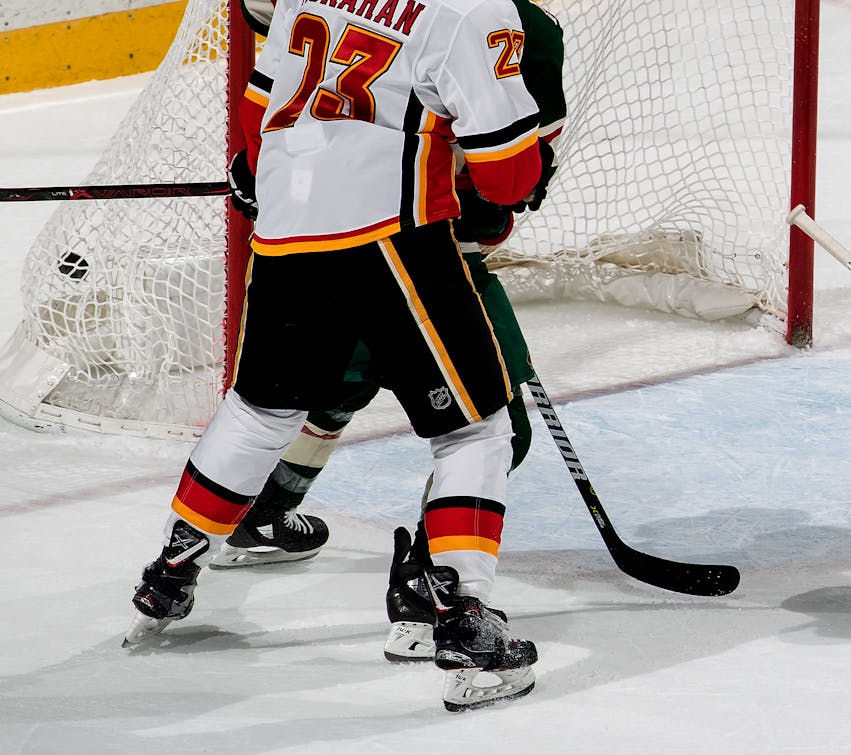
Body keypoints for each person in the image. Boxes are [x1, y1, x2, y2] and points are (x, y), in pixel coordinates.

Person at [125, 0, 556, 711]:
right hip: (396, 235)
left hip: (290, 237)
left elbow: (257, 116)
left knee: (262, 408)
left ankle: (171, 568)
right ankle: (464, 617)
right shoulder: (472, 8)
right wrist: (530, 162)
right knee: (475, 427)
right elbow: (506, 175)